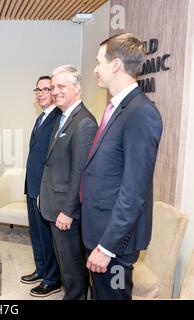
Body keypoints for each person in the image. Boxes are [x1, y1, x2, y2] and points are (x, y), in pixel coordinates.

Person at [81, 33, 163, 300]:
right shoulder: (118, 108)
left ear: (115, 65)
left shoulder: (140, 112)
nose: (95, 69)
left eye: (98, 62)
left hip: (114, 243)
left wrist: (107, 247)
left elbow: (134, 191)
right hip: (100, 232)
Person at [39, 65, 98, 300]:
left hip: (66, 210)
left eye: (61, 86)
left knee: (73, 269)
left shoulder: (83, 122)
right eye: (53, 87)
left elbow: (79, 172)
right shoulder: (63, 117)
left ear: (76, 88)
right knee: (66, 265)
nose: (55, 91)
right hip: (55, 204)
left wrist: (68, 210)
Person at [21, 76, 61, 297]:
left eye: (46, 89)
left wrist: (42, 190)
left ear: (54, 92)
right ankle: (41, 269)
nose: (41, 93)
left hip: (44, 189)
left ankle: (52, 279)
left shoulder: (57, 118)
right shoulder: (41, 118)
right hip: (33, 186)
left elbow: (53, 160)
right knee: (36, 234)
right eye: (38, 89)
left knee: (47, 236)